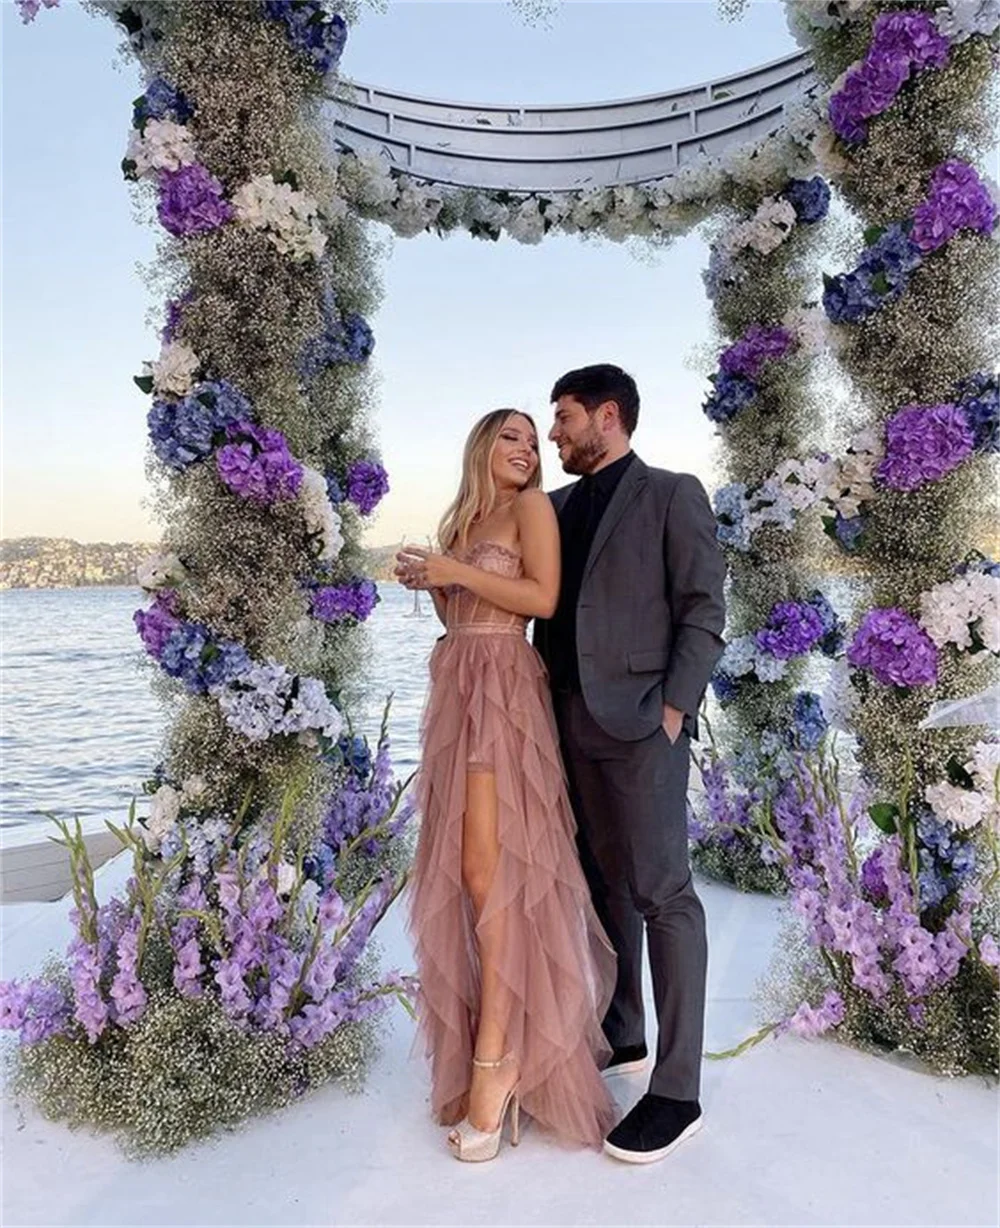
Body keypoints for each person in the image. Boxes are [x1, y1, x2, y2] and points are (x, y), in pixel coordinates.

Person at [396, 409, 617, 1163]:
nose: (526, 448)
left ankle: (498, 1061)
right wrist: (433, 581)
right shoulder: (465, 518)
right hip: (458, 685)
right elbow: (462, 610)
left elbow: (543, 599)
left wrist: (455, 571)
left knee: (492, 877)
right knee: (468, 876)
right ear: (482, 445)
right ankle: (494, 1050)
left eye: (532, 438)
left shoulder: (531, 509)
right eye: (511, 436)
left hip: (502, 691)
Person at [533, 364, 726, 1165]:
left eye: (564, 417)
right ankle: (624, 1034)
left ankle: (677, 1092)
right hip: (563, 724)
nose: (553, 433)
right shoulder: (550, 508)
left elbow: (704, 609)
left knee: (663, 893)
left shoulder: (673, 494)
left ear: (607, 416)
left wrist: (674, 709)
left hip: (645, 723)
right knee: (601, 884)